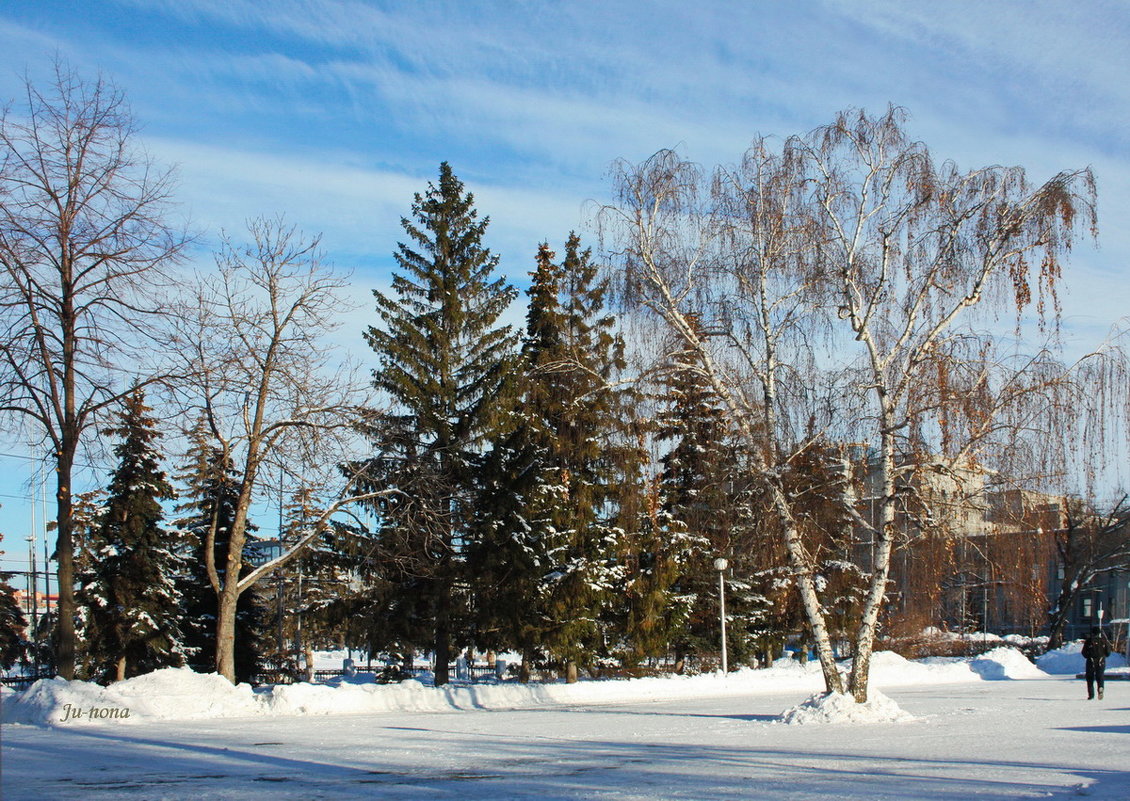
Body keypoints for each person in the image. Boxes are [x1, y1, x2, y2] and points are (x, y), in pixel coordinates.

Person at [1082, 626, 1112, 700]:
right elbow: (1108, 653)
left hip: (1091, 661)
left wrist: (1088, 656)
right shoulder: (1104, 641)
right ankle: (1100, 687)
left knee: (1090, 678)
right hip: (1101, 661)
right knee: (1100, 676)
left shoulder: (1089, 641)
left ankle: (1091, 695)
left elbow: (1084, 652)